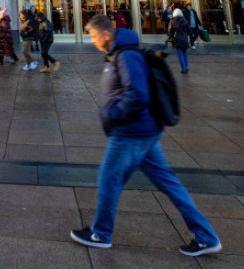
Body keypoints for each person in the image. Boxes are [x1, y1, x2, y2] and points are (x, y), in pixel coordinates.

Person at [71, 14, 222, 256]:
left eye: (92, 36)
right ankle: (206, 236)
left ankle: (100, 233)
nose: (91, 41)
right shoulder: (120, 53)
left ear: (106, 35)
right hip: (145, 133)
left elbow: (137, 94)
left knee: (109, 179)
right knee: (168, 183)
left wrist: (114, 114)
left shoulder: (127, 56)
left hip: (131, 133)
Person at [167, 8, 191, 74]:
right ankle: (186, 68)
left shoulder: (172, 20)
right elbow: (189, 30)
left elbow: (170, 31)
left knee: (180, 54)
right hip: (185, 38)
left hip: (177, 38)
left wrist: (171, 36)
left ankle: (183, 69)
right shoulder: (185, 20)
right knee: (185, 54)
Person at [19, 2, 40, 71]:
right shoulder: (24, 20)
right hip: (25, 37)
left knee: (24, 51)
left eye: (21, 15)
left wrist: (26, 31)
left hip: (28, 38)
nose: (20, 16)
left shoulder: (29, 20)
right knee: (26, 52)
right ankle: (28, 65)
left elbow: (30, 28)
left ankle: (33, 61)